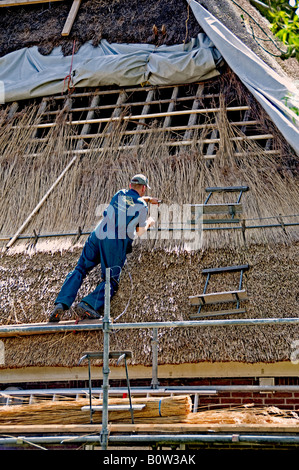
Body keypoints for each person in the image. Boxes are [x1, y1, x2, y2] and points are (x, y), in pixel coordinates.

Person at [49, 174, 159, 322]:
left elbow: (130, 200)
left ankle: (61, 303)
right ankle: (88, 304)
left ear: (130, 185)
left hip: (97, 235)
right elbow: (139, 231)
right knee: (111, 279)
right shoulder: (142, 206)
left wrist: (148, 199)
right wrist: (150, 221)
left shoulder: (119, 194)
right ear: (144, 188)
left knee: (80, 269)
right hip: (114, 242)